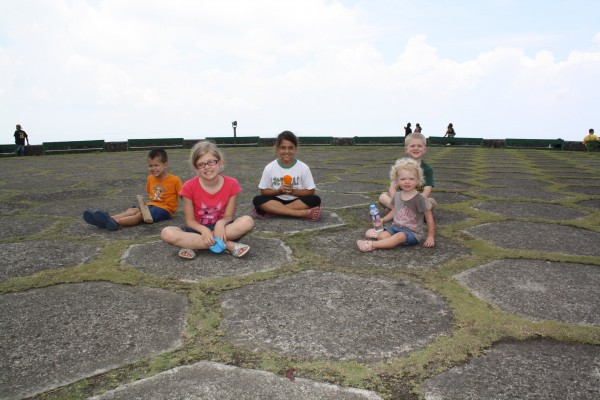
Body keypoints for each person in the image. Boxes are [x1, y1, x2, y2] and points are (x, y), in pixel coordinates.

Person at [161, 141, 254, 259]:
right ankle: (227, 245)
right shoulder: (188, 186)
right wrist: (203, 230)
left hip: (223, 230)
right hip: (196, 230)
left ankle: (193, 245)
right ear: (196, 167)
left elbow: (228, 216)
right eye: (201, 164)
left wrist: (220, 223)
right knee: (166, 233)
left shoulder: (232, 184)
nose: (207, 167)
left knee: (247, 221)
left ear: (220, 162)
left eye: (211, 162)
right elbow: (189, 220)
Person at [83, 148, 182, 231]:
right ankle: (106, 220)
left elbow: (184, 196)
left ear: (165, 165)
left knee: (139, 215)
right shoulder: (150, 178)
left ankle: (116, 222)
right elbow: (151, 195)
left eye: (156, 165)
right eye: (150, 165)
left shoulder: (175, 180)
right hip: (152, 205)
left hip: (165, 209)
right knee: (132, 210)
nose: (153, 168)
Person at [357, 158, 435, 252]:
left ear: (418, 180)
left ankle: (371, 244)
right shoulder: (397, 195)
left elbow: (429, 218)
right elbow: (395, 210)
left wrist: (430, 237)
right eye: (403, 179)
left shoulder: (420, 199)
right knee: (382, 236)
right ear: (397, 181)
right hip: (395, 228)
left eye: (411, 179)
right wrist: (383, 220)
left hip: (412, 233)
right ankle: (381, 237)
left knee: (399, 236)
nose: (407, 181)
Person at [252, 130, 322, 221]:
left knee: (315, 200)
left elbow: (311, 191)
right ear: (278, 148)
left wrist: (293, 191)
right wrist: (279, 191)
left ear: (295, 149)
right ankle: (301, 213)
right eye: (283, 148)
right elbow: (263, 191)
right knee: (257, 200)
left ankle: (272, 211)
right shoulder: (270, 167)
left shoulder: (303, 167)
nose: (286, 151)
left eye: (290, 148)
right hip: (276, 199)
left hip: (296, 200)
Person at [379, 132, 435, 210]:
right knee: (383, 197)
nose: (416, 148)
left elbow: (427, 190)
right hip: (401, 198)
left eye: (419, 146)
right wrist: (397, 201)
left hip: (417, 200)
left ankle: (398, 211)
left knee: (430, 202)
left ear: (425, 149)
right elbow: (392, 188)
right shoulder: (400, 166)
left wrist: (415, 202)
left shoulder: (427, 169)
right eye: (412, 146)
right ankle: (401, 210)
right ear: (406, 149)